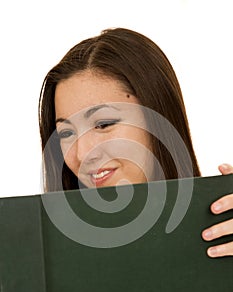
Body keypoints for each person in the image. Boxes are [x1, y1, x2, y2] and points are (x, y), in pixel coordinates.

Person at [39, 27, 233, 258]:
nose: (82, 154)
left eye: (103, 124)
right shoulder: (37, 256)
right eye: (66, 134)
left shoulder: (224, 232)